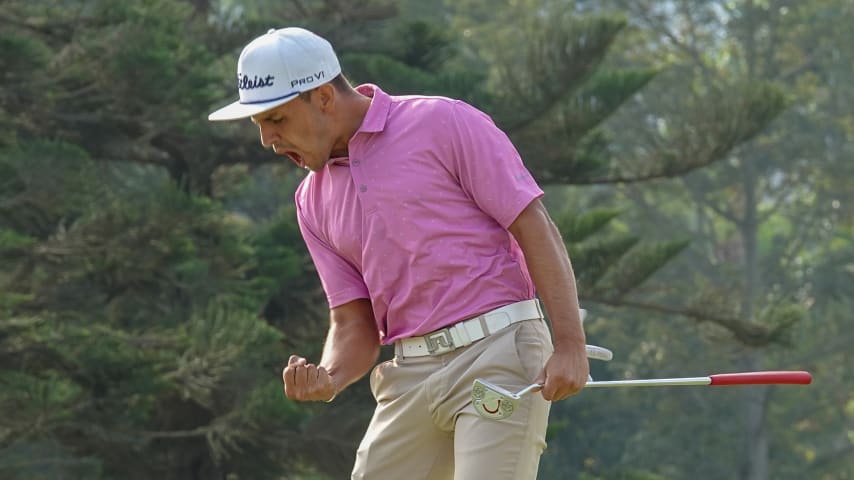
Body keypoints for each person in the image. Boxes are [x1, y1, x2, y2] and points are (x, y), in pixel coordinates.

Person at [209, 27, 590, 480]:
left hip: (500, 351)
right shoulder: (311, 201)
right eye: (260, 126)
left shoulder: (443, 122)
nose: (267, 140)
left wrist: (569, 344)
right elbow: (353, 321)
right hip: (409, 373)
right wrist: (330, 376)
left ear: (324, 97)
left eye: (276, 120)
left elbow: (533, 226)